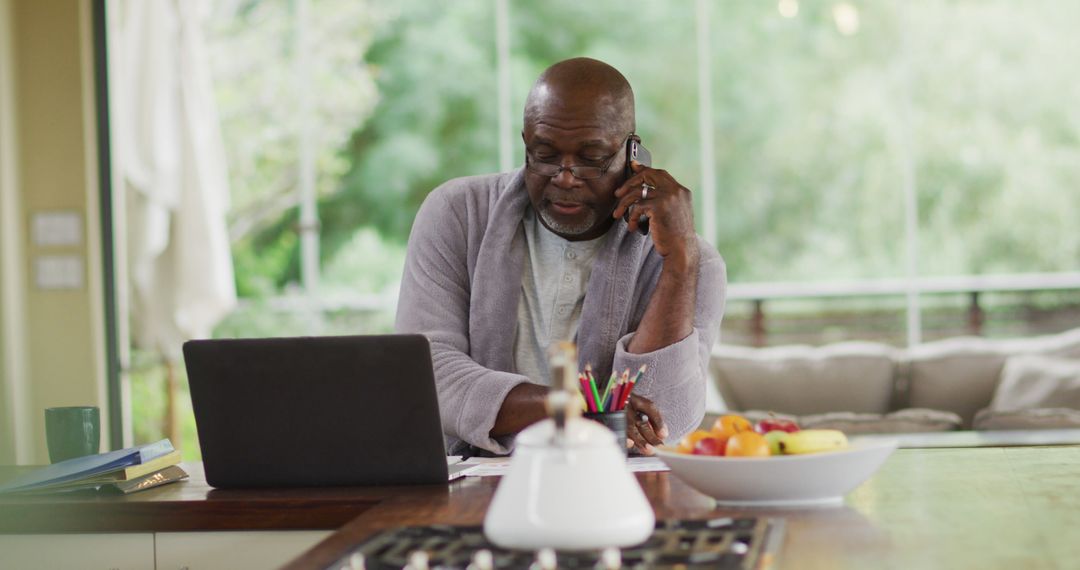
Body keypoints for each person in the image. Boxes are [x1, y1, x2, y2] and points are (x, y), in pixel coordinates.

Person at [396, 57, 726, 456]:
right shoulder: (458, 214)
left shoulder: (694, 263)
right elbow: (428, 375)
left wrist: (678, 262)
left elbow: (664, 419)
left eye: (591, 157)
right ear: (525, 142)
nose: (565, 176)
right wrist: (573, 405)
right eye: (545, 154)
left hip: (614, 488)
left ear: (632, 151)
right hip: (473, 482)